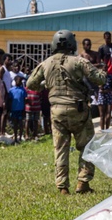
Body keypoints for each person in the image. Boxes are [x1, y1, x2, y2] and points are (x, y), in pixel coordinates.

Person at [27, 30, 106, 194]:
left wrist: (46, 84)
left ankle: (62, 186)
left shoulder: (46, 63)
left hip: (56, 111)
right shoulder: (79, 61)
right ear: (72, 44)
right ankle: (83, 183)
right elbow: (99, 79)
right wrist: (103, 71)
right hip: (78, 110)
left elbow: (30, 84)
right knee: (87, 147)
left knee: (61, 149)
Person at [8, 75, 27, 144]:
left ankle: (20, 138)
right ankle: (15, 138)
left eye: (20, 80)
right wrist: (9, 109)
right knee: (15, 124)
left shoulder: (23, 90)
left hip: (21, 109)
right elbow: (9, 100)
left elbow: (25, 100)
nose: (19, 81)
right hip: (14, 109)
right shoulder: (11, 90)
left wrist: (24, 109)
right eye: (18, 80)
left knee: (21, 124)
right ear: (15, 81)